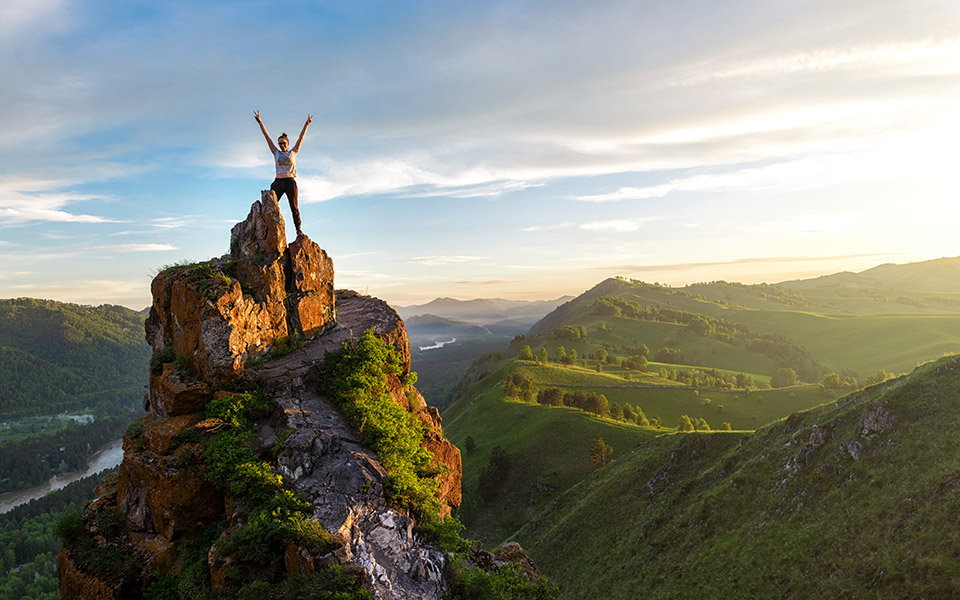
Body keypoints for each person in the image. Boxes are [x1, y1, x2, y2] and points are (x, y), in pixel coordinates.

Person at [254, 110, 312, 236]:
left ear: (288, 143)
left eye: (283, 143)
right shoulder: (276, 152)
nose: (281, 145)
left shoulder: (293, 152)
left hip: (290, 182)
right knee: (269, 205)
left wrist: (306, 125)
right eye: (279, 143)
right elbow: (267, 137)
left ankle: (298, 230)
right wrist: (260, 122)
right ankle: (264, 230)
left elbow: (301, 138)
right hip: (278, 182)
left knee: (294, 208)